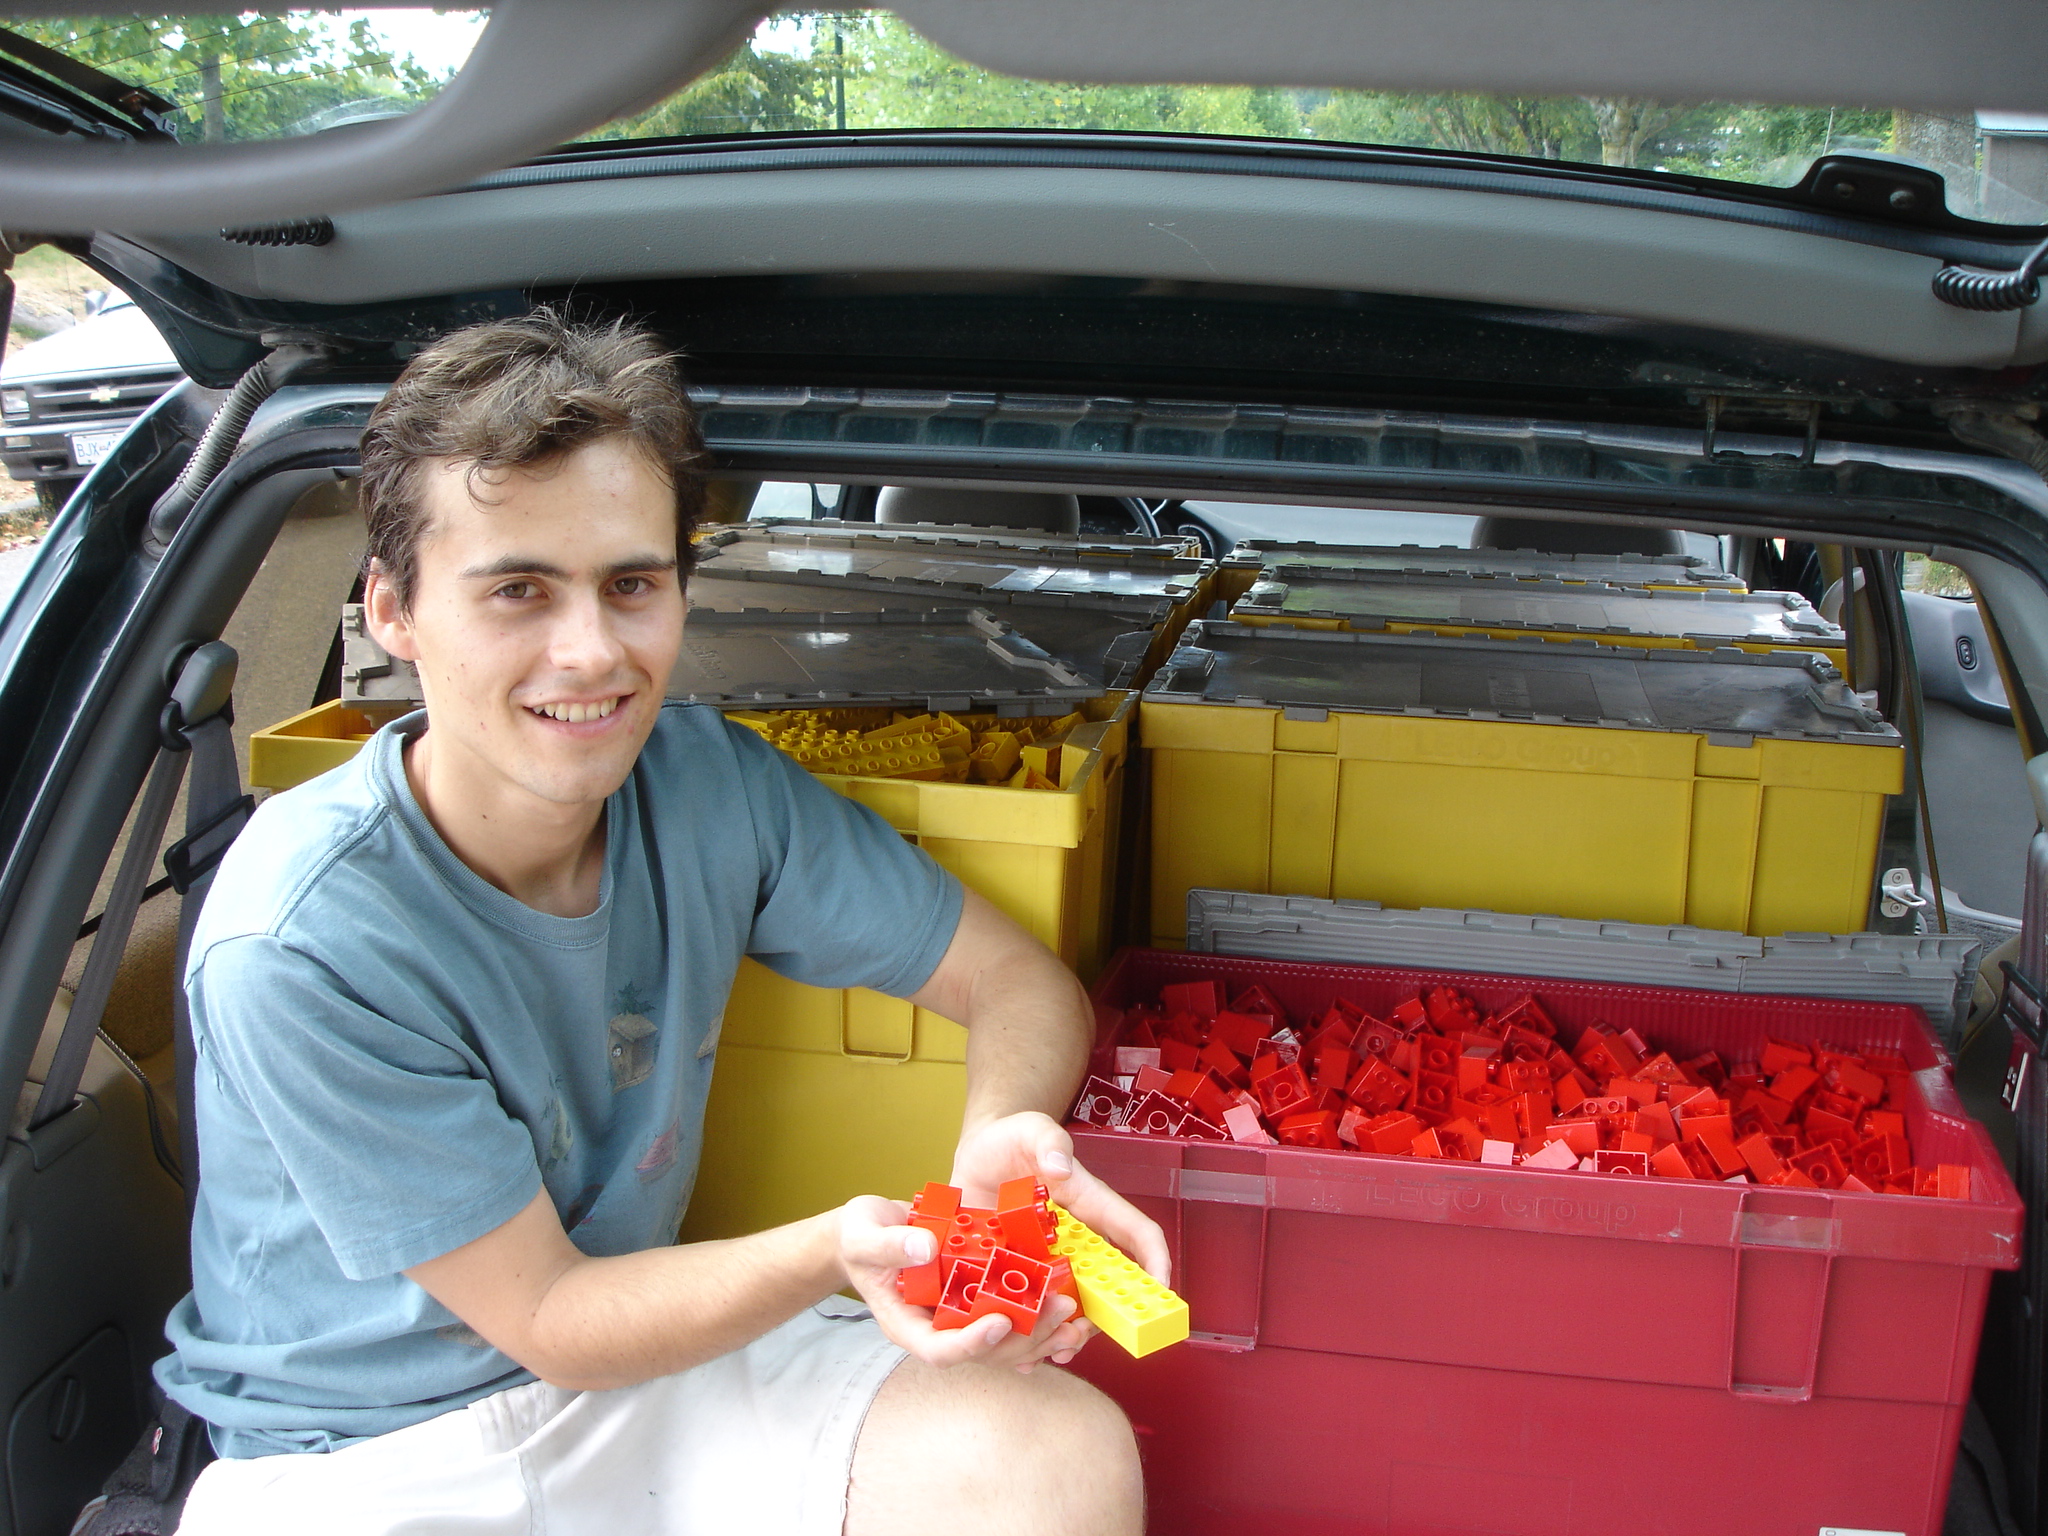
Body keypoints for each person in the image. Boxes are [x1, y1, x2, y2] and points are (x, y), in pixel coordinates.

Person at [155, 311, 1164, 1536]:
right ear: (393, 611)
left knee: (1053, 1459)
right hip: (364, 1456)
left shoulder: (705, 784)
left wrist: (995, 1142)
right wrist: (845, 1249)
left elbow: (1014, 982)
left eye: (630, 585)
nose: (590, 653)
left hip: (646, 1372)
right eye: (517, 590)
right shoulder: (302, 937)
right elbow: (549, 1316)